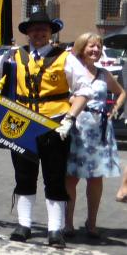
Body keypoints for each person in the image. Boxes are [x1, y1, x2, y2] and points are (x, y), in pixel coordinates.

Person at [0, 9, 91, 248]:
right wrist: (0, 51)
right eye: (34, 29)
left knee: (54, 178)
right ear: (27, 33)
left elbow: (84, 90)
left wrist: (70, 119)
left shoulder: (66, 57)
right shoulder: (16, 56)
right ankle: (24, 224)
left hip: (54, 125)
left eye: (43, 29)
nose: (38, 33)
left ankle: (55, 229)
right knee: (23, 176)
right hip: (22, 123)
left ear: (51, 33)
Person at [63, 32, 123, 239]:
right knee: (70, 178)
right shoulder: (70, 70)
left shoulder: (104, 74)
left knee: (95, 179)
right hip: (75, 128)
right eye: (91, 46)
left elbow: (122, 92)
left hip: (98, 131)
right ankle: (68, 223)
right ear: (81, 48)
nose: (96, 50)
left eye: (98, 46)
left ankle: (92, 222)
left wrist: (114, 109)